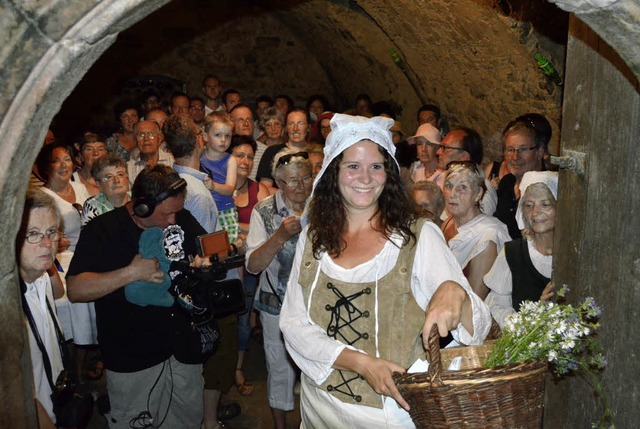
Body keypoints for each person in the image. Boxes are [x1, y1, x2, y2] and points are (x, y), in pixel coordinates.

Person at [279, 114, 491, 428]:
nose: (365, 178)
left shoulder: (416, 237)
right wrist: (362, 363)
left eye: (375, 166)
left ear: (388, 173)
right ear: (333, 172)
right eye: (353, 166)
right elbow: (293, 322)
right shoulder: (315, 238)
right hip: (318, 406)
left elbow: (482, 326)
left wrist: (455, 292)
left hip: (386, 416)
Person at [66, 165, 211, 429]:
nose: (172, 221)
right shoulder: (102, 230)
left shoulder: (180, 217)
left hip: (182, 348)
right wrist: (130, 273)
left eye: (176, 212)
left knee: (189, 419)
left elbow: (208, 247)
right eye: (167, 213)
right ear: (142, 206)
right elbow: (76, 289)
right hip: (132, 359)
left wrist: (205, 261)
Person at [246, 148, 313, 429]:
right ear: (280, 183)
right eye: (293, 181)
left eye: (306, 178)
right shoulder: (264, 211)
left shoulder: (321, 206)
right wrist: (280, 235)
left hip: (315, 303)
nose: (301, 187)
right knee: (279, 369)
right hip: (276, 303)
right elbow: (252, 265)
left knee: (315, 367)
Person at [37, 142, 95, 382]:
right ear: (45, 167)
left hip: (92, 255)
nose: (64, 165)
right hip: (63, 259)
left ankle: (89, 362)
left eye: (68, 159)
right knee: (72, 301)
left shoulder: (83, 188)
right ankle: (72, 372)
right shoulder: (42, 197)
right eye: (56, 160)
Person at [484, 171, 558, 328]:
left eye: (545, 204)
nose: (535, 213)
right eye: (529, 205)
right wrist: (528, 322)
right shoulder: (513, 254)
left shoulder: (574, 256)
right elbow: (497, 306)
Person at [19, 189, 65, 428]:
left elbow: (60, 293)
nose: (48, 243)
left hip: (54, 400)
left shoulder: (42, 277)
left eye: (51, 232)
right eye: (33, 234)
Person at [229, 135, 270, 398]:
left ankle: (238, 368)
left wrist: (238, 231)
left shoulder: (260, 191)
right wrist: (246, 229)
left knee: (244, 320)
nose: (244, 160)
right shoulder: (219, 188)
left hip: (248, 268)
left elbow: (266, 229)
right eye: (239, 155)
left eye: (248, 156)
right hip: (225, 266)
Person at [440, 162, 511, 299]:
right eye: (449, 186)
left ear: (478, 194)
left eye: (462, 188)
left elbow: (476, 300)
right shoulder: (449, 221)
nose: (452, 194)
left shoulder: (487, 237)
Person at [494, 121, 546, 239]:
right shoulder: (507, 183)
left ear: (540, 152)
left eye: (523, 149)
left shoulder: (545, 190)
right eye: (510, 150)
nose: (515, 157)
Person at [435, 127, 497, 216]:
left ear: (463, 156)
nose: (438, 152)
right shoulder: (447, 181)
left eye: (445, 148)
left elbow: (479, 227)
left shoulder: (483, 190)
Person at [201, 111, 239, 244]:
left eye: (227, 136)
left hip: (224, 209)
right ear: (205, 136)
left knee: (227, 245)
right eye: (218, 135)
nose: (223, 140)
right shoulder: (199, 156)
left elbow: (229, 189)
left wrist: (213, 186)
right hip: (204, 209)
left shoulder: (231, 160)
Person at [256, 107, 311, 192]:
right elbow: (264, 187)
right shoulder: (272, 152)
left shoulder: (316, 152)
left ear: (308, 127)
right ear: (285, 128)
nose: (295, 128)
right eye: (291, 124)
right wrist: (290, 196)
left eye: (300, 123)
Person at [81, 154, 131, 226]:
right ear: (99, 184)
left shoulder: (137, 200)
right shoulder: (93, 205)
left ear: (127, 178)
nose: (116, 180)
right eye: (109, 177)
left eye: (120, 174)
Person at [72, 131, 109, 196]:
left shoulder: (114, 178)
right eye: (89, 149)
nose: (96, 153)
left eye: (100, 149)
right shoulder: (71, 180)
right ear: (81, 156)